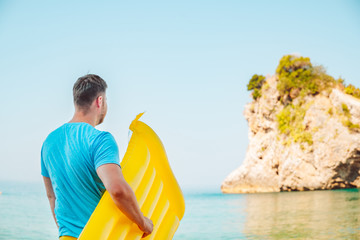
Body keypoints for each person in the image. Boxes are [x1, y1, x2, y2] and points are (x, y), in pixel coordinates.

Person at [41, 74, 153, 239]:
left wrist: (65, 231)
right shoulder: (100, 140)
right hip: (99, 234)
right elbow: (117, 190)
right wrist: (143, 223)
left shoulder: (48, 143)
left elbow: (52, 196)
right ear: (100, 101)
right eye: (106, 100)